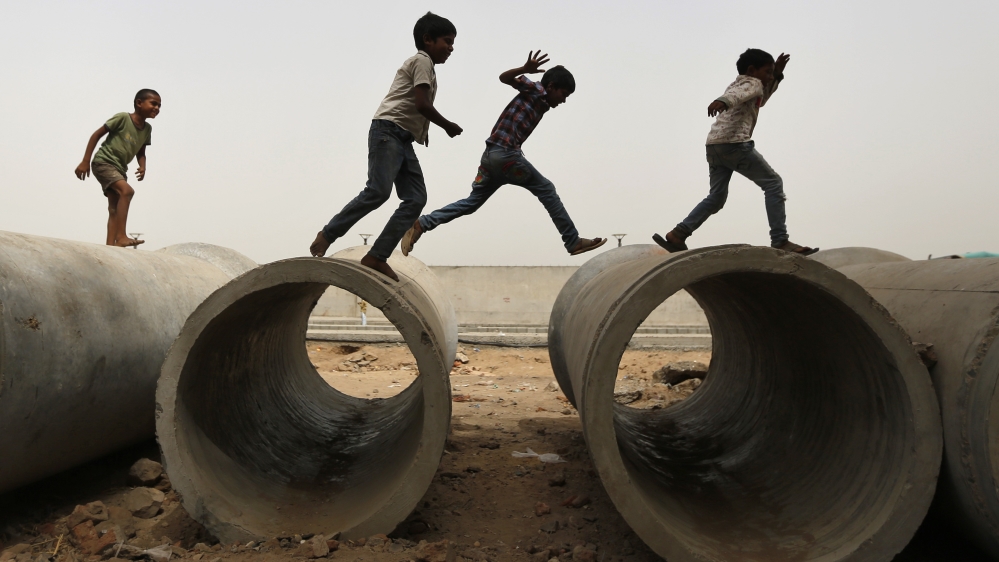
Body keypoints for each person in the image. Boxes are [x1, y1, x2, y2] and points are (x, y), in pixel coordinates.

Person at [399, 51, 605, 258]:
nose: (564, 101)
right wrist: (525, 69)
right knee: (546, 189)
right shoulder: (538, 90)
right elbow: (504, 78)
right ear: (551, 87)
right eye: (564, 94)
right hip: (506, 156)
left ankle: (421, 224)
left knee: (472, 203)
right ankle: (572, 241)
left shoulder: (542, 101)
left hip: (490, 159)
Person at [309, 12, 462, 282]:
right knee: (377, 191)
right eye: (447, 41)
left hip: (402, 139)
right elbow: (422, 105)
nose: (451, 48)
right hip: (388, 132)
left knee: (416, 199)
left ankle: (377, 255)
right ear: (428, 40)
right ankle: (328, 233)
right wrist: (447, 125)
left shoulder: (428, 66)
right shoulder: (422, 61)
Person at [653, 49, 818, 255]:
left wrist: (776, 75)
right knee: (773, 184)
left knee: (717, 197)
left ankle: (679, 233)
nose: (768, 77)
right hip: (735, 145)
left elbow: (760, 98)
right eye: (767, 72)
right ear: (752, 70)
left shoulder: (744, 84)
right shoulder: (751, 83)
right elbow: (739, 94)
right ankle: (780, 240)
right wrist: (723, 101)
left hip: (714, 146)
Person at [75, 89, 161, 247]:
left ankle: (111, 246)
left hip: (120, 168)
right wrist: (85, 161)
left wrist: (142, 166)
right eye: (154, 103)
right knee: (127, 191)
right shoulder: (123, 118)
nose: (157, 108)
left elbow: (141, 151)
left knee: (114, 208)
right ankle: (121, 236)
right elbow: (96, 134)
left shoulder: (147, 129)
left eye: (159, 106)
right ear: (139, 103)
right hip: (104, 162)